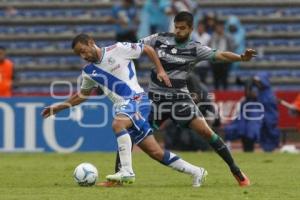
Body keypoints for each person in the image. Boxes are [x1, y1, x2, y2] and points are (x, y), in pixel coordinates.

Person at [41, 34, 208, 187]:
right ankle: (197, 172)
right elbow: (82, 96)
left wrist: (161, 70)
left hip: (137, 99)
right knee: (155, 152)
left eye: (83, 51)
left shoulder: (118, 49)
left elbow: (148, 49)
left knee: (118, 124)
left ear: (91, 42)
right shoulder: (88, 72)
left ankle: (126, 172)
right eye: (79, 55)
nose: (83, 56)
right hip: (124, 107)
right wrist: (59, 107)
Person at [113, 11, 256, 187]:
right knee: (130, 131)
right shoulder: (159, 39)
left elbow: (221, 55)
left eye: (183, 28)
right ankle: (118, 176)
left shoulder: (195, 48)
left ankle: (237, 171)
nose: (179, 31)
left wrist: (241, 57)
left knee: (206, 132)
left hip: (179, 100)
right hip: (154, 100)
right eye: (177, 27)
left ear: (191, 29)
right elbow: (133, 47)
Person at [225, 73, 281, 152]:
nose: (257, 84)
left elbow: (270, 111)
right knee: (244, 129)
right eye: (256, 82)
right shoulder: (254, 95)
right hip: (250, 121)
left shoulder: (268, 95)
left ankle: (266, 149)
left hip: (263, 120)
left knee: (257, 132)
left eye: (258, 81)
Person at [209, 20, 236, 90]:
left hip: (224, 61)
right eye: (218, 27)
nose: (219, 29)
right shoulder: (212, 37)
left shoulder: (227, 37)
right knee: (216, 80)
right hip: (215, 61)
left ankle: (225, 95)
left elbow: (232, 48)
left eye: (221, 27)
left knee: (224, 80)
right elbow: (208, 47)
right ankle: (217, 95)